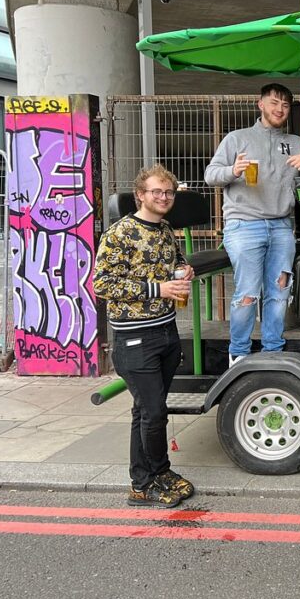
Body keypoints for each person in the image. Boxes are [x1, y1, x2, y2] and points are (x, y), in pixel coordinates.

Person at [204, 83, 300, 365]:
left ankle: (273, 351)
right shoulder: (237, 139)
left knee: (279, 292)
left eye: (285, 105)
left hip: (281, 226)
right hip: (243, 224)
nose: (279, 109)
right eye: (274, 102)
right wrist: (232, 170)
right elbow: (210, 175)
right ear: (260, 104)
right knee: (248, 292)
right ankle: (238, 354)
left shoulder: (297, 142)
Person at [93, 164, 196, 508]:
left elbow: (173, 263)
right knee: (154, 413)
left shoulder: (166, 229)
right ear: (140, 195)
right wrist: (160, 287)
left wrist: (184, 270)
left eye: (168, 192)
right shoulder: (120, 233)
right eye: (157, 192)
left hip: (165, 330)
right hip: (134, 338)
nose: (164, 198)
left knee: (145, 412)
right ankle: (154, 476)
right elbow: (101, 284)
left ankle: (144, 481)